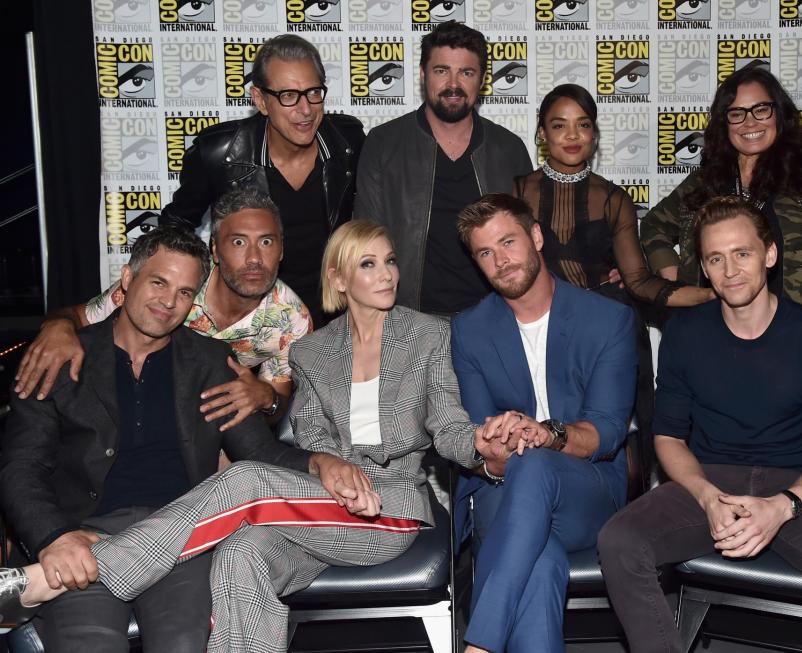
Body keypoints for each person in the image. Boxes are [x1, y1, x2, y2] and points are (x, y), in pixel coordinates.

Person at [0, 221, 509, 653]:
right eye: (368, 263)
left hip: (384, 503)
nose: (387, 273)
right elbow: (301, 443)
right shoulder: (311, 353)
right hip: (314, 510)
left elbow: (448, 428)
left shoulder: (428, 335)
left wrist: (484, 453)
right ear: (339, 276)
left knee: (245, 481)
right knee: (240, 555)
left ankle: (74, 570)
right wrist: (319, 462)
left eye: (390, 260)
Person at [598, 197, 802, 653]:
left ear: (769, 255)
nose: (730, 270)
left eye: (742, 253)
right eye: (716, 259)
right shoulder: (685, 333)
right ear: (704, 268)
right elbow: (667, 437)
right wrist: (706, 497)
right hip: (710, 479)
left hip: (800, 487)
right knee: (620, 541)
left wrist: (783, 506)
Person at [0, 226, 315, 652]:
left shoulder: (208, 362)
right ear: (127, 281)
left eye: (185, 292)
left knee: (183, 643)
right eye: (158, 282)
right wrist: (54, 536)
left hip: (179, 538)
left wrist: (319, 465)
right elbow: (20, 466)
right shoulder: (61, 356)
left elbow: (258, 453)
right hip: (82, 536)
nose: (168, 303)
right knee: (88, 644)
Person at [450, 194, 637, 653]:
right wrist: (492, 453)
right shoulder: (469, 329)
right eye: (485, 253)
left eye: (508, 242)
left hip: (586, 491)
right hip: (503, 492)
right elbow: (481, 439)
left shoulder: (608, 319)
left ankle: (479, 645)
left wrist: (545, 434)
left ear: (536, 237)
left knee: (534, 463)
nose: (501, 260)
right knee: (539, 560)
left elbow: (608, 432)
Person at [514, 83, 714, 475]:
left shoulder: (613, 198)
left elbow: (638, 280)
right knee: (548, 433)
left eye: (583, 125)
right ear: (542, 134)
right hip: (542, 329)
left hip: (609, 326)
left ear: (594, 134)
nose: (572, 136)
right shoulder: (519, 192)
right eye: (559, 126)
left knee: (628, 434)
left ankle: (632, 518)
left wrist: (710, 295)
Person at [14, 188, 311, 429]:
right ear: (215, 250)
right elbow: (75, 316)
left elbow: (276, 408)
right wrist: (58, 327)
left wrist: (266, 399)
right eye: (238, 242)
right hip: (131, 409)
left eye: (267, 242)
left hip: (204, 426)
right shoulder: (175, 281)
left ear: (281, 249)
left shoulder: (291, 318)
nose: (254, 258)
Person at [640, 66, 802, 314]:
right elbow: (654, 225)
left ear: (778, 113)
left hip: (791, 335)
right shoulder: (705, 180)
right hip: (709, 331)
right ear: (725, 123)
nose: (749, 122)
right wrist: (679, 282)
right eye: (736, 113)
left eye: (761, 110)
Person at [161, 34, 365, 320]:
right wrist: (200, 288)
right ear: (260, 100)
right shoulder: (219, 153)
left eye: (313, 92)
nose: (305, 109)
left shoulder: (348, 141)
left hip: (334, 316)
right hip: (251, 321)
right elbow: (175, 227)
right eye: (288, 96)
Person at [355, 21, 532, 315]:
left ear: (482, 80)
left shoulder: (508, 148)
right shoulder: (384, 144)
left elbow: (531, 239)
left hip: (495, 317)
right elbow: (363, 240)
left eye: (466, 72)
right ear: (424, 75)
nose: (453, 84)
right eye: (442, 71)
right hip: (408, 318)